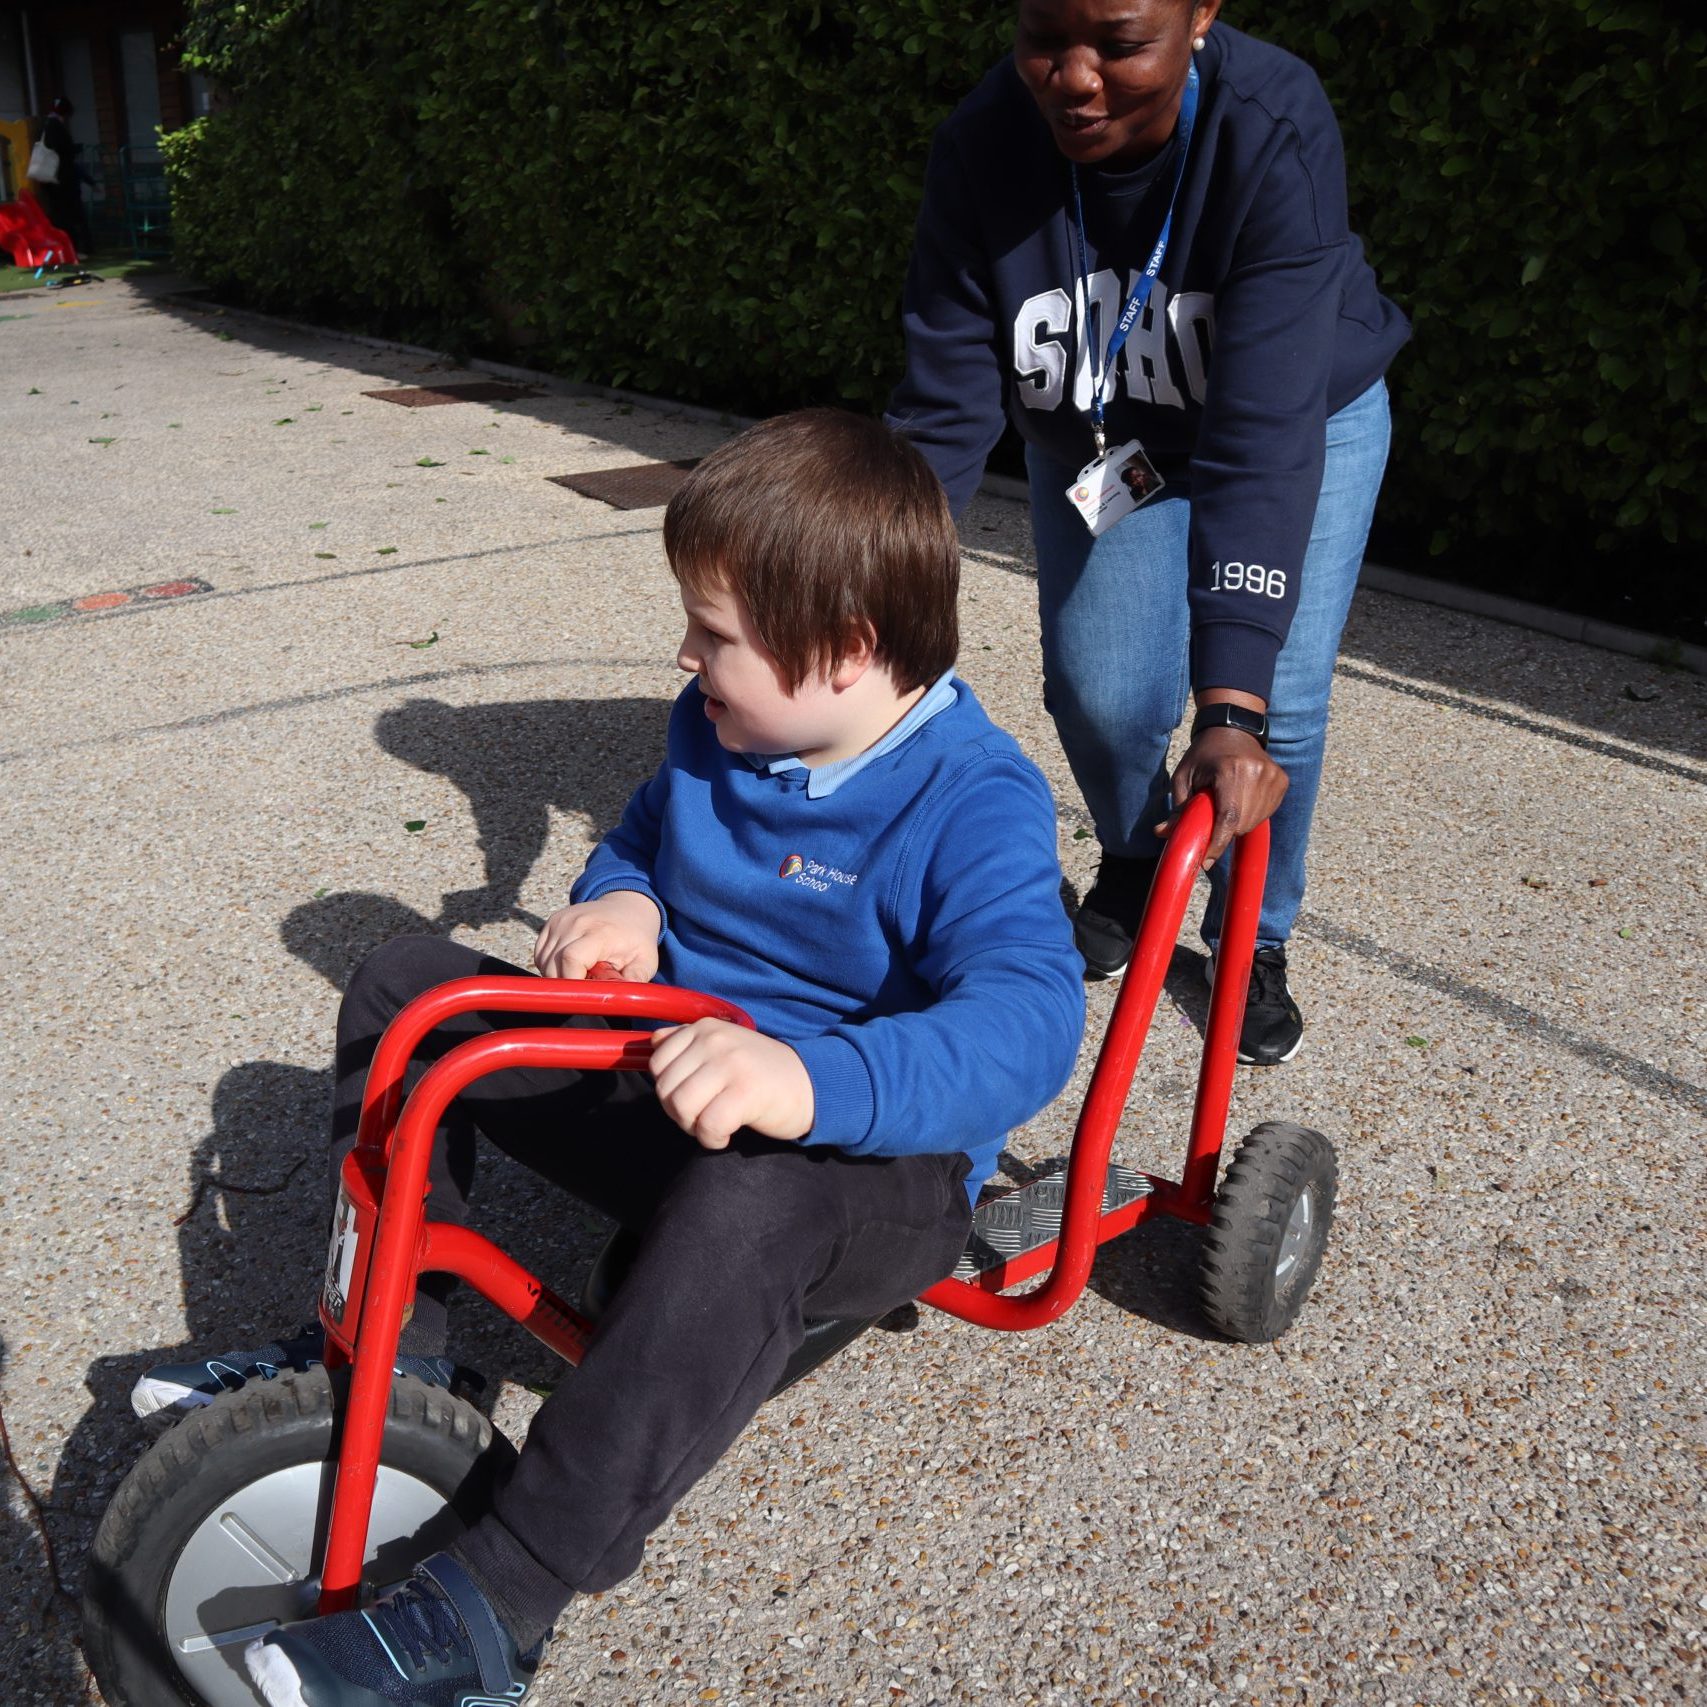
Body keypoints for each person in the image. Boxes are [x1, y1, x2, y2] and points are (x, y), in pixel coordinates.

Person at [131, 409, 1085, 1705]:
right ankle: (391, 1353)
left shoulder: (972, 797)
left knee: (757, 1192)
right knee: (410, 985)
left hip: (863, 1160)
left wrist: (806, 1080)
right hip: (677, 1073)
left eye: (717, 634)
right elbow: (639, 835)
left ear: (848, 649)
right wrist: (625, 900)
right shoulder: (719, 724)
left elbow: (1026, 1018)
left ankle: (500, 1598)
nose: (684, 652)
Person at [887, 0, 1409, 1064]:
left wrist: (1229, 702)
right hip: (1107, 431)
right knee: (1099, 688)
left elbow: (1261, 437)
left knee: (1276, 703)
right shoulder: (983, 141)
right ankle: (1134, 855)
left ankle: (1250, 934)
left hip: (1298, 413)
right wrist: (868, 607)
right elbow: (942, 410)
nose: (1072, 79)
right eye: (1043, 38)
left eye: (1119, 44)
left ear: (1201, 15)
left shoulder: (1271, 123)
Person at [34, 97, 88, 259]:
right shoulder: (56, 126)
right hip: (60, 179)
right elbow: (61, 151)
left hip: (51, 179)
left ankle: (64, 250)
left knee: (59, 215)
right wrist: (74, 149)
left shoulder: (45, 125)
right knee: (67, 216)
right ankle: (71, 249)